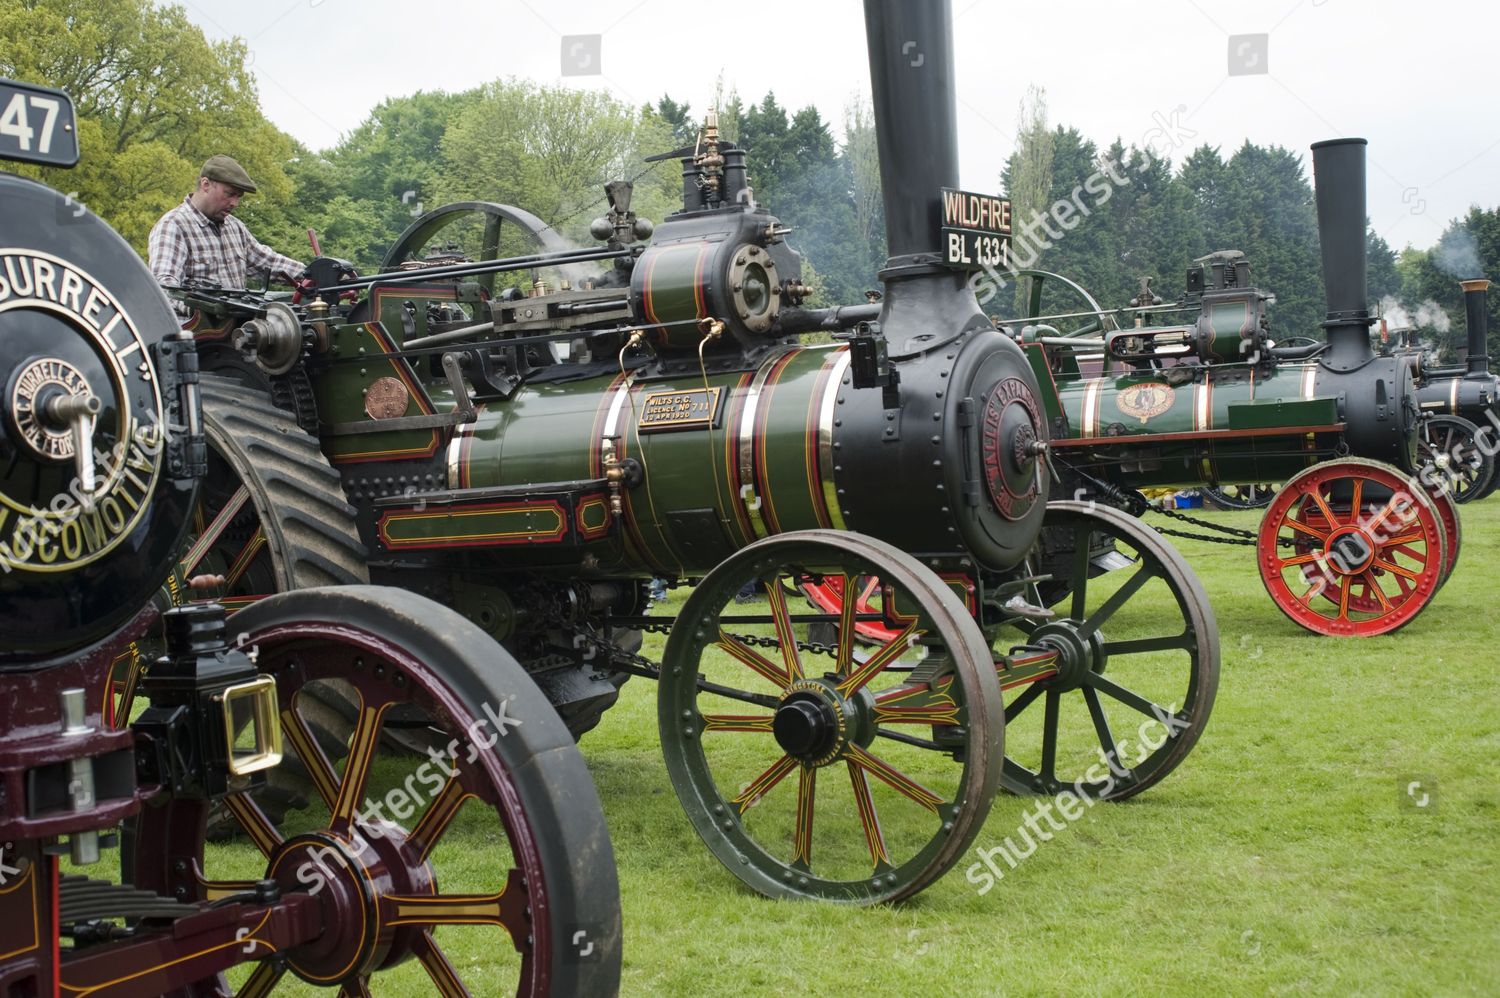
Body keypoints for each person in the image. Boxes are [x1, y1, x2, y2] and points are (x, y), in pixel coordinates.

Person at [148, 155, 305, 291]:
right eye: (229, 194)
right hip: (193, 325)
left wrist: (314, 274)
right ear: (206, 185)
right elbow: (164, 287)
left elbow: (269, 262)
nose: (234, 203)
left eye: (238, 197)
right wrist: (203, 309)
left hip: (237, 325)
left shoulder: (235, 227)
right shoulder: (173, 226)